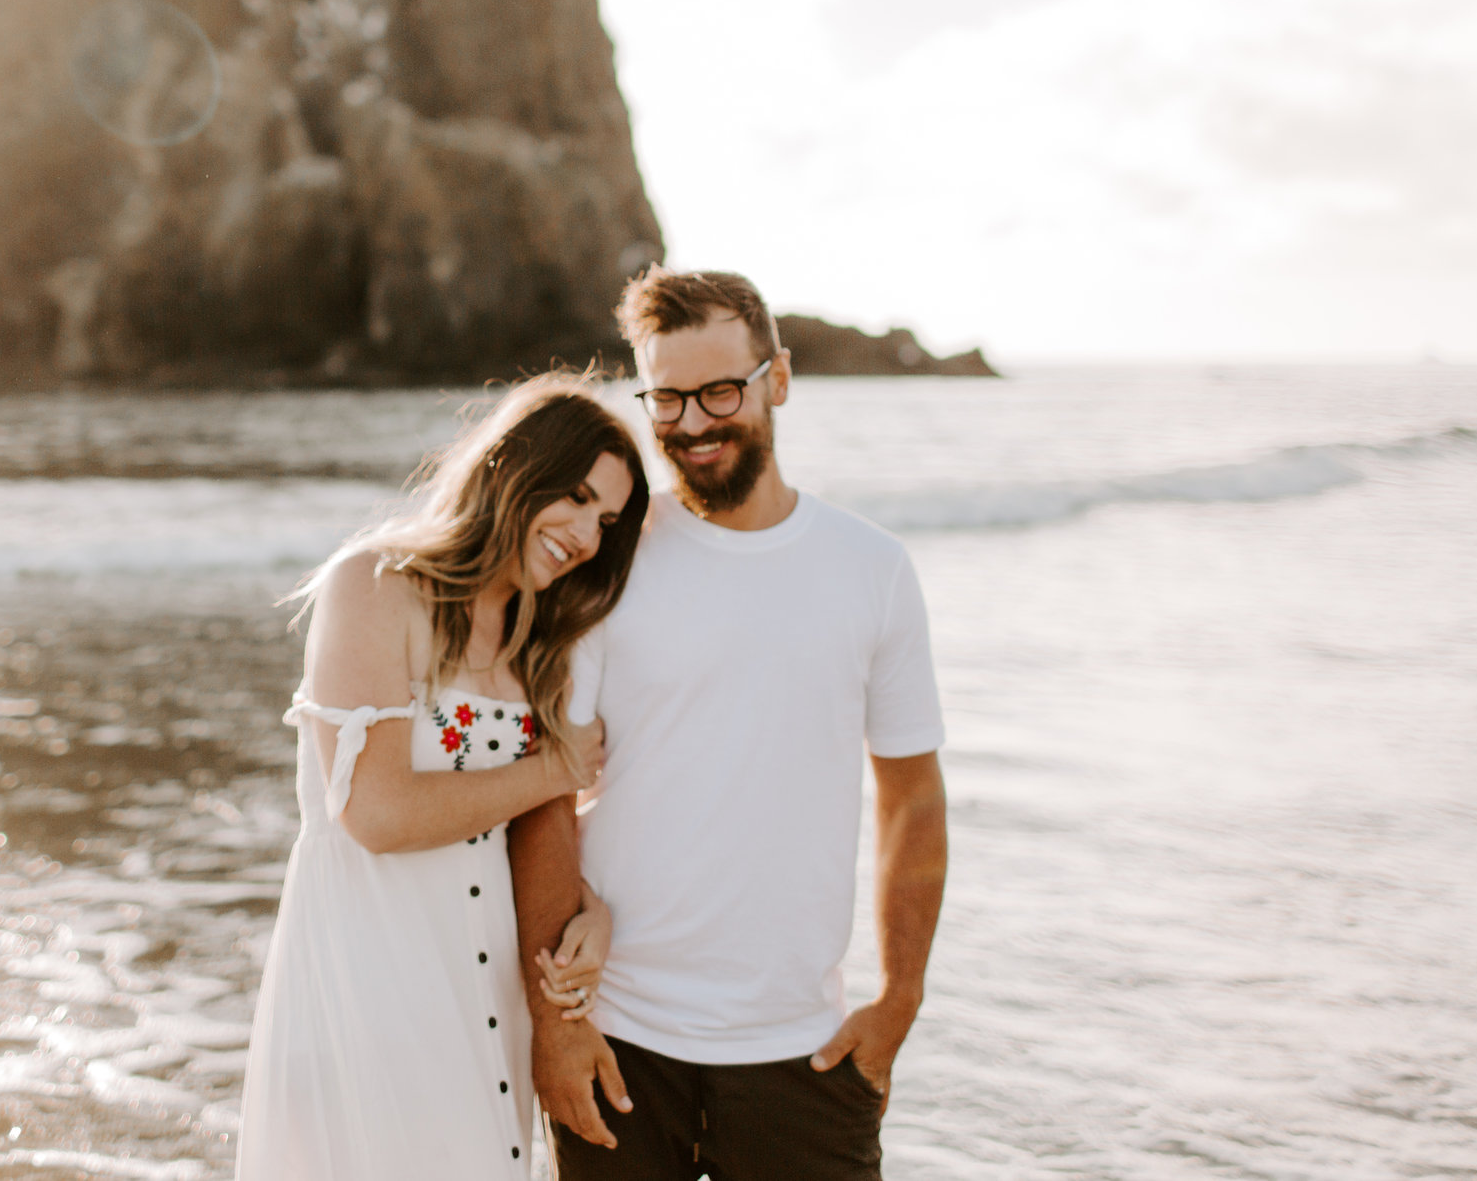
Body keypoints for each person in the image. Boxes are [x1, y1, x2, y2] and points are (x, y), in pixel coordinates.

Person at [509, 268, 950, 1179]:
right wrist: (558, 1027)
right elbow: (547, 793)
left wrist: (898, 1001)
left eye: (719, 390)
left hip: (806, 1052)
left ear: (777, 379)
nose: (694, 423)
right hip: (620, 1039)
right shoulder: (608, 561)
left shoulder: (872, 568)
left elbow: (911, 793)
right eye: (666, 398)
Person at [236, 372, 651, 1179]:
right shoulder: (375, 583)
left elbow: (516, 831)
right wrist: (554, 767)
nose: (586, 534)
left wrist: (590, 912)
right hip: (373, 974)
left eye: (606, 520)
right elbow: (376, 813)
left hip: (483, 990)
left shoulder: (539, 634)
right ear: (509, 465)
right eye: (572, 496)